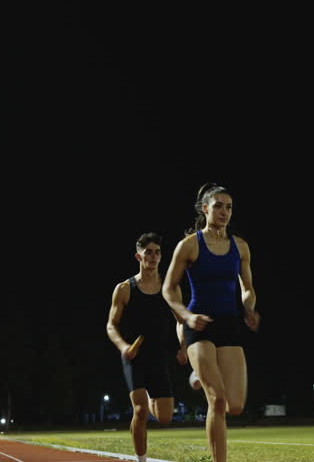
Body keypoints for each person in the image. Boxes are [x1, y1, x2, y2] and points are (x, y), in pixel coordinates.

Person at [162, 183, 260, 462]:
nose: (224, 212)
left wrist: (248, 307)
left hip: (229, 324)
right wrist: (187, 315)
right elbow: (169, 289)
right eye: (218, 206)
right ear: (205, 209)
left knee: (236, 405)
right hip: (199, 325)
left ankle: (197, 376)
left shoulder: (240, 247)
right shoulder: (190, 245)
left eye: (228, 207)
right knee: (216, 400)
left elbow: (248, 288)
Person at [106, 232, 186, 462]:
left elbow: (180, 322)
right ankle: (141, 459)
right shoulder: (124, 289)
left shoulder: (170, 289)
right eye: (148, 252)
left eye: (157, 252)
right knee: (140, 411)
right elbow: (111, 326)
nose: (153, 256)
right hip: (134, 357)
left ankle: (148, 400)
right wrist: (123, 346)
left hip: (158, 357)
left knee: (165, 417)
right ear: (138, 256)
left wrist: (182, 346)